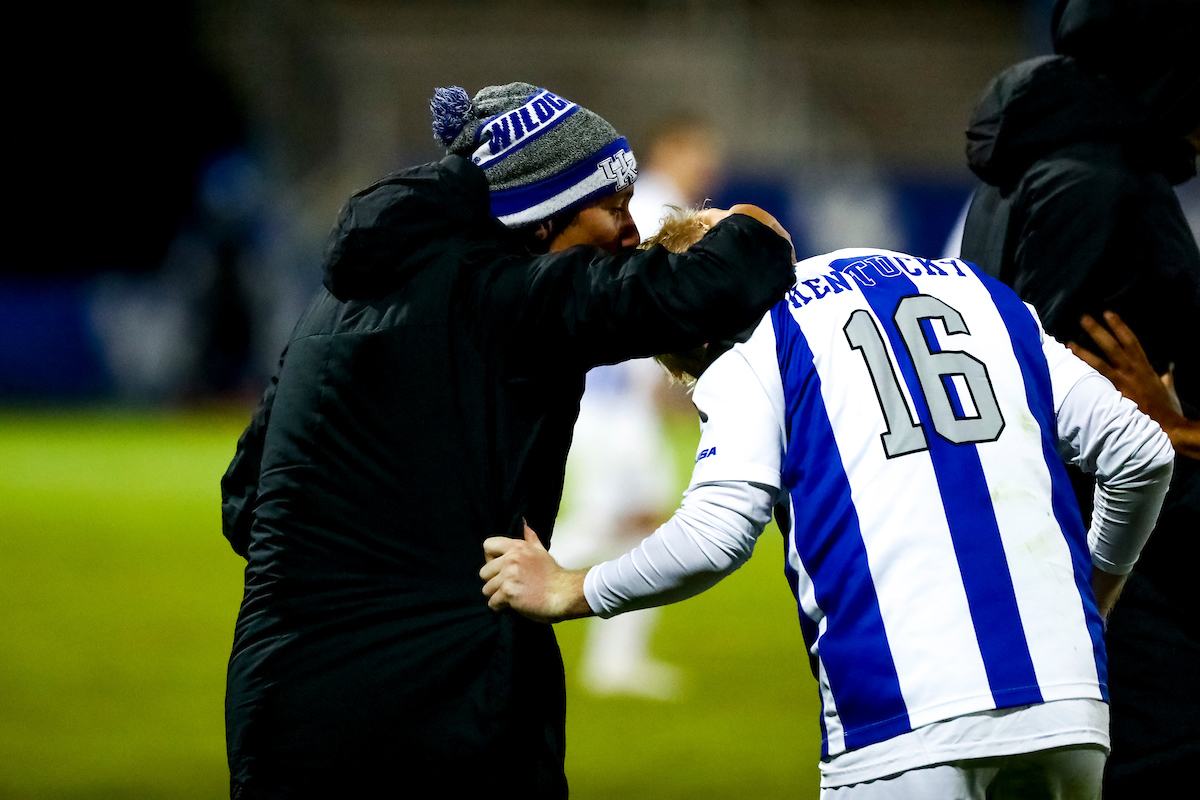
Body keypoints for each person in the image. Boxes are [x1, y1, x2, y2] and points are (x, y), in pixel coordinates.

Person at [220, 83, 796, 798]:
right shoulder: (513, 294)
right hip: (446, 706)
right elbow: (732, 270)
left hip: (280, 703)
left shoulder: (330, 307)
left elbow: (245, 503)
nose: (628, 232)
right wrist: (743, 218)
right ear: (541, 217)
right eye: (613, 209)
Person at [482, 210, 1175, 799]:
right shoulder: (983, 295)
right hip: (1069, 701)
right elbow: (1142, 454)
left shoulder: (754, 336)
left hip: (902, 716)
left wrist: (571, 588)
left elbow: (717, 534)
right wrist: (1097, 591)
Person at [957, 0, 1200, 792]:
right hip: (1127, 577)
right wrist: (1173, 433)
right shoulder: (1105, 183)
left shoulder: (1039, 163)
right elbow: (1059, 407)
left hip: (1065, 574)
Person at [550, 113, 724, 700]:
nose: (708, 164)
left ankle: (616, 662)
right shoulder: (654, 204)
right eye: (698, 150)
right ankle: (491, 594)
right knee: (609, 520)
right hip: (612, 397)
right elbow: (636, 296)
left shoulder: (651, 199)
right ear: (670, 146)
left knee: (636, 519)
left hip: (617, 397)